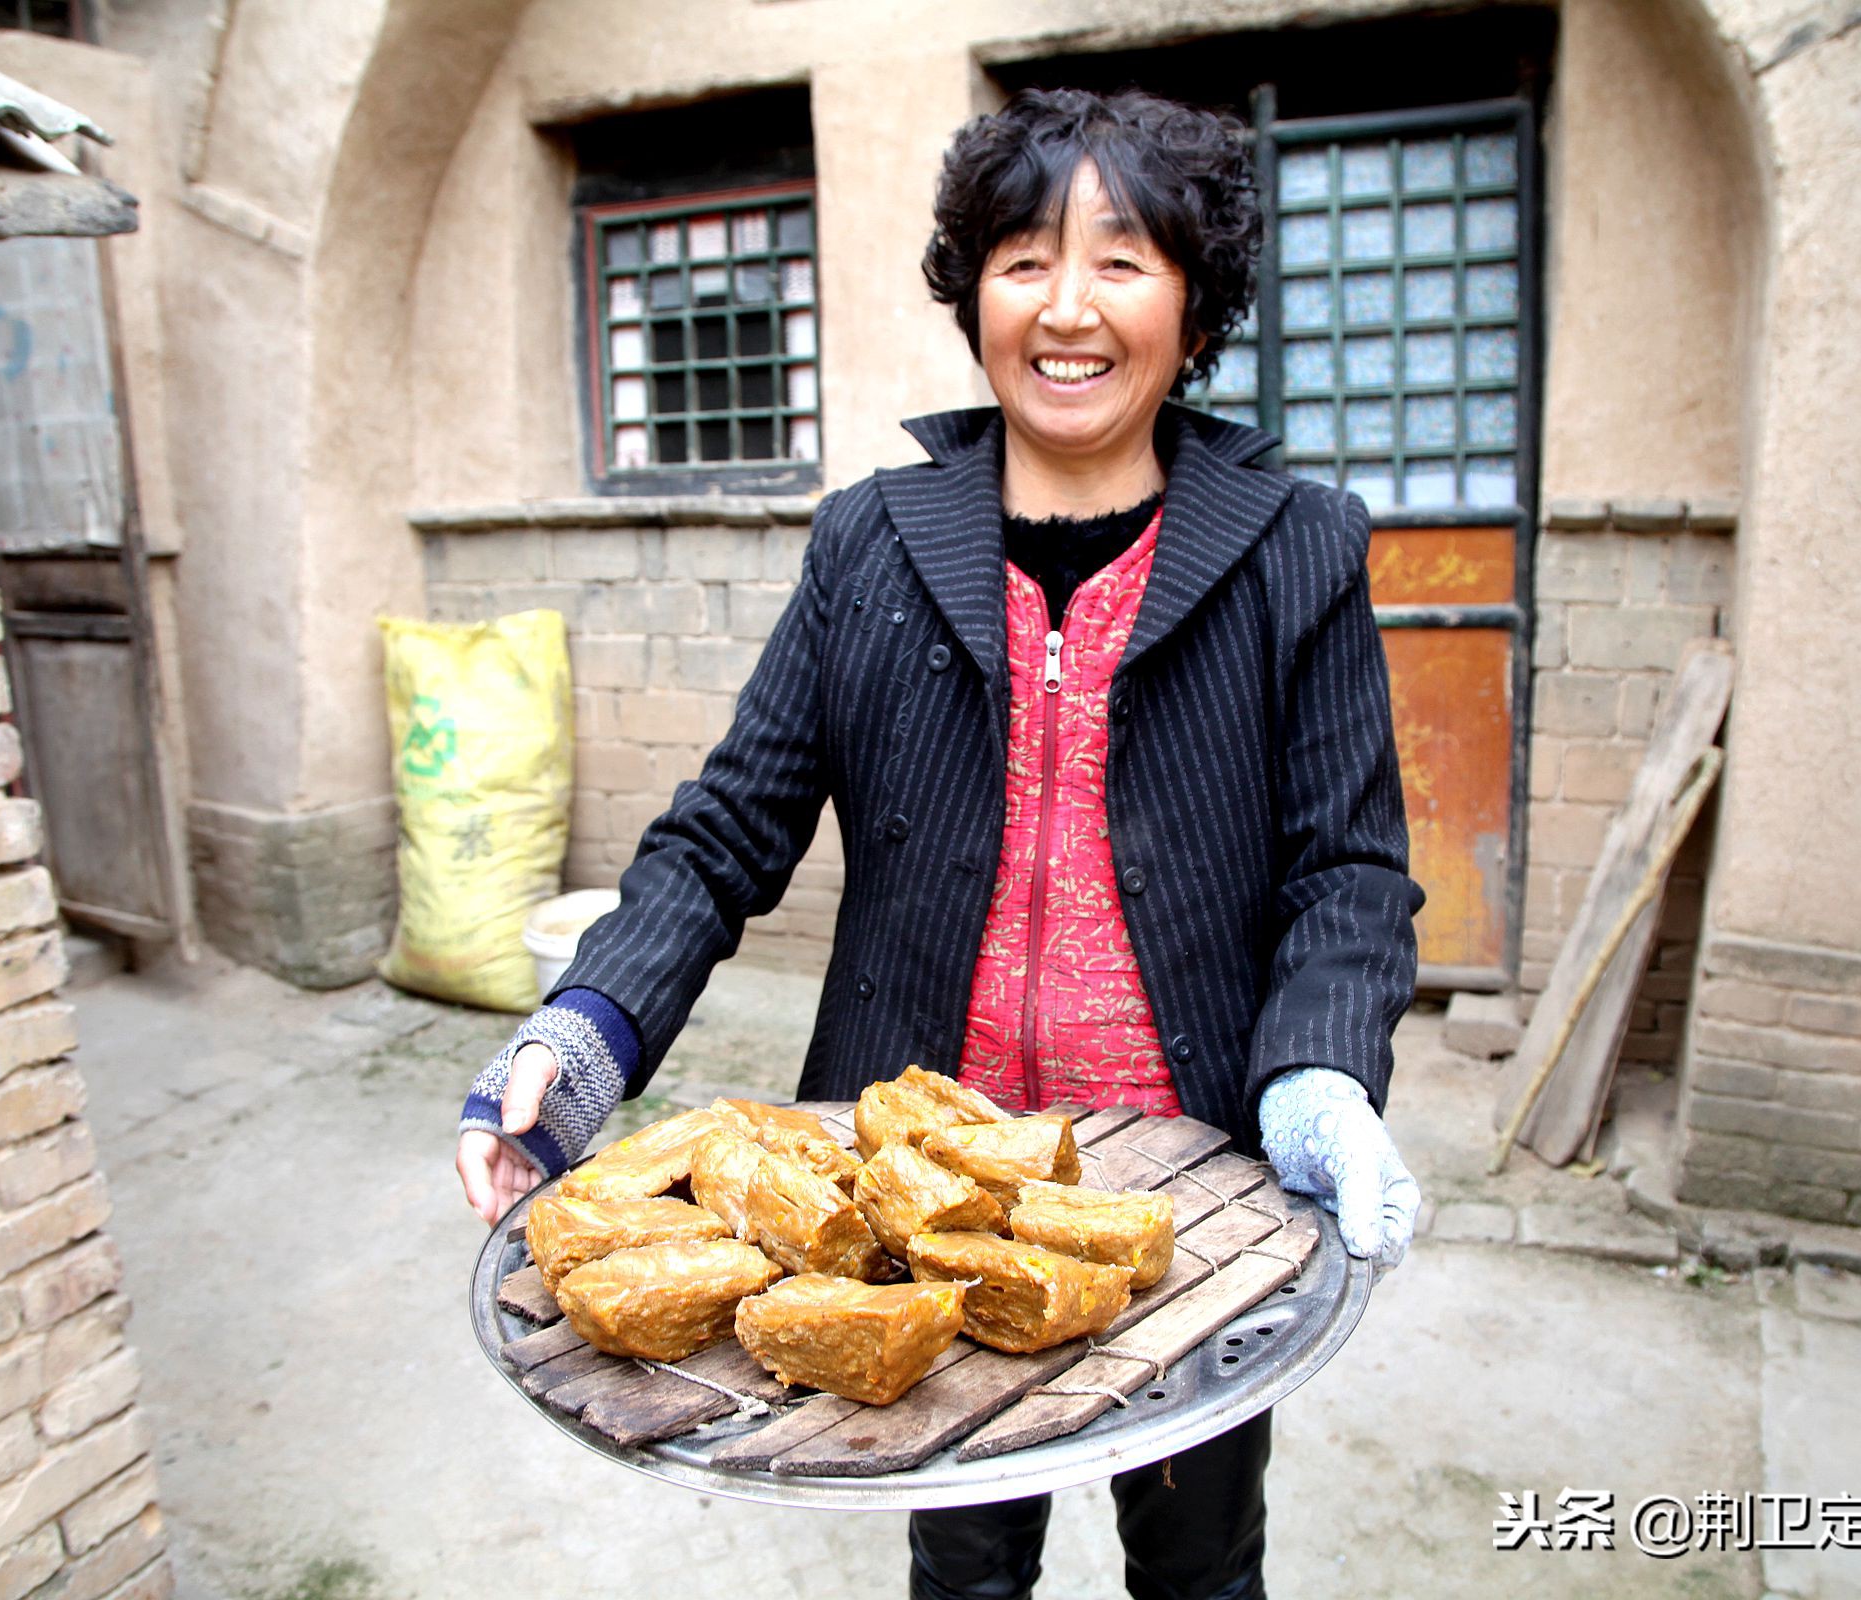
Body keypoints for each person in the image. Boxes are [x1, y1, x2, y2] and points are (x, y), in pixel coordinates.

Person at [458, 86, 1425, 1600]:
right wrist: (585, 1033)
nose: (1068, 308)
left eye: (1122, 260)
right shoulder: (872, 542)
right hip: (907, 1202)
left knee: (1196, 1557)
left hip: (1189, 1198)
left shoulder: (1296, 547)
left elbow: (1348, 873)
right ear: (972, 290)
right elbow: (727, 830)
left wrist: (1316, 1079)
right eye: (1024, 258)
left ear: (1193, 297)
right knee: (962, 1556)